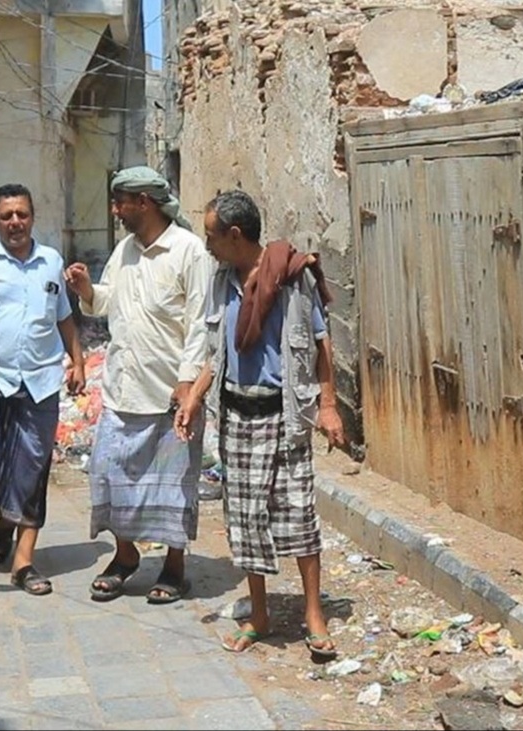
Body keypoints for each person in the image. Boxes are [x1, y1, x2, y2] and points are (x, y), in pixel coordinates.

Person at [174, 189, 346, 658]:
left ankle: (314, 615)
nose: (207, 244)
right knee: (247, 519)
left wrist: (328, 406)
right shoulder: (220, 281)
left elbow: (321, 343)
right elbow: (217, 352)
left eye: (211, 235)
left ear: (234, 235)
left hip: (284, 416)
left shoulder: (292, 277)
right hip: (237, 417)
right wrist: (194, 397)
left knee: (298, 515)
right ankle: (260, 613)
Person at [64, 166, 211, 604]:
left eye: (120, 202)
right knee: (109, 475)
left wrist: (188, 384)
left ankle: (174, 567)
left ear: (143, 202)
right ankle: (125, 556)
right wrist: (87, 290)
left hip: (170, 395)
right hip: (122, 391)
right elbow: (108, 300)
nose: (115, 210)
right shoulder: (125, 250)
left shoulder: (189, 251)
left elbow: (200, 326)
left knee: (174, 484)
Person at [0, 183, 85, 596]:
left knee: (34, 465)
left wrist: (78, 360)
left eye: (22, 214)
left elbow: (63, 316)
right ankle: (5, 521)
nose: (15, 222)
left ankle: (24, 562)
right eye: (7, 216)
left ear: (32, 217)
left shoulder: (51, 262)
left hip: (41, 381)